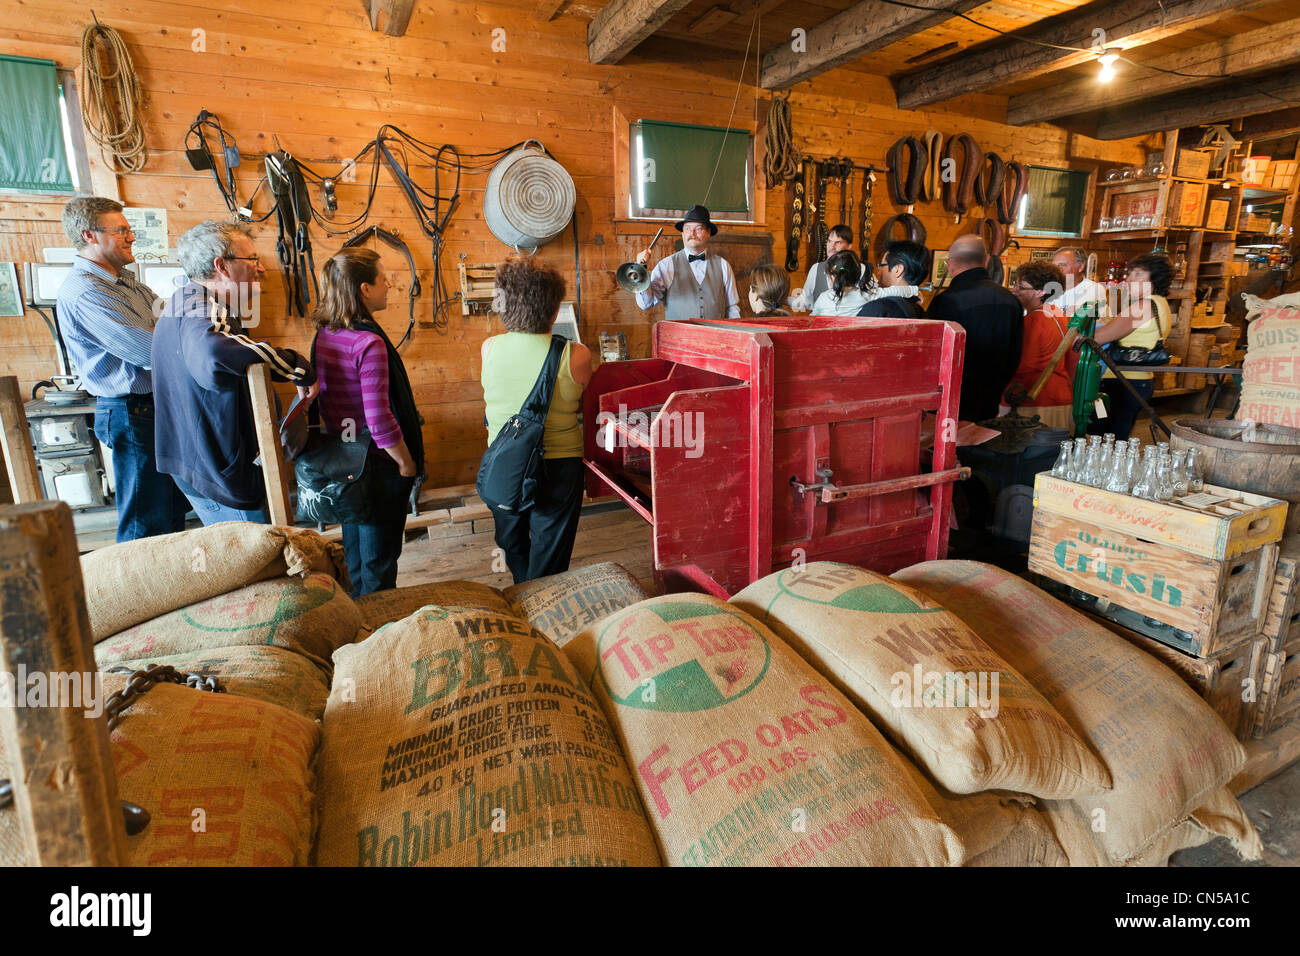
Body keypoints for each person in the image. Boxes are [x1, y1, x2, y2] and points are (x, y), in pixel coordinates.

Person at [153, 220, 317, 524]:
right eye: (252, 259)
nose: (261, 268)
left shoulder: (184, 300)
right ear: (222, 266)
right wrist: (296, 366)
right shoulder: (205, 310)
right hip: (218, 469)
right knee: (259, 562)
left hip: (196, 462)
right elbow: (213, 354)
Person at [54, 196, 190, 542]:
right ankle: (136, 592)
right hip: (132, 411)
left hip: (152, 408)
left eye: (129, 230)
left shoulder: (127, 282)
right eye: (122, 231)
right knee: (145, 519)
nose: (131, 237)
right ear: (90, 235)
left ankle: (171, 591)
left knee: (170, 508)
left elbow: (167, 324)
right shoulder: (87, 291)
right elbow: (146, 347)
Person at [310, 247, 424, 596]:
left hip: (346, 462)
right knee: (380, 562)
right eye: (383, 277)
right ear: (364, 289)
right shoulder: (368, 343)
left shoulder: (325, 333)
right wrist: (406, 463)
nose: (389, 283)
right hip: (378, 465)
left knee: (357, 556)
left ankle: (358, 621)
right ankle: (376, 635)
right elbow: (379, 419)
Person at [481, 257, 593, 584]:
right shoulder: (578, 355)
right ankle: (541, 601)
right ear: (555, 310)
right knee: (551, 552)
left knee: (511, 541)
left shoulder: (489, 348)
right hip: (560, 466)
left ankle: (523, 589)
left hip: (505, 464)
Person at [926, 234, 1024, 422]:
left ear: (949, 264)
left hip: (953, 402)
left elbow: (935, 356)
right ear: (987, 261)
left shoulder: (947, 301)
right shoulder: (1010, 300)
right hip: (992, 399)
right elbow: (1015, 354)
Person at [1088, 253, 1174, 440]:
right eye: (1130, 273)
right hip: (1137, 380)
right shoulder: (1160, 303)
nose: (1129, 279)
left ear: (1155, 277)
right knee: (1115, 436)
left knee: (1106, 439)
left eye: (1138, 274)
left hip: (1123, 382)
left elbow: (1099, 338)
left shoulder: (1142, 306)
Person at [632, 204, 740, 321]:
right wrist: (641, 271)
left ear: (708, 232)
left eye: (698, 228)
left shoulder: (723, 265)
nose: (692, 233)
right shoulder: (667, 265)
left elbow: (732, 308)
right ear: (682, 233)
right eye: (687, 228)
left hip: (716, 338)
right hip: (677, 338)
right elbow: (646, 304)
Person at [1001, 260, 1073, 429]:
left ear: (1041, 292)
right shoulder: (1057, 313)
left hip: (1033, 399)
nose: (1014, 290)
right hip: (1060, 394)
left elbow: (1023, 365)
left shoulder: (1034, 320)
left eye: (1021, 287)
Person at [858, 240, 927, 318]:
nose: (878, 272)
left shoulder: (879, 308)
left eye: (881, 265)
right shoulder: (919, 309)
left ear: (898, 270)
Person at [794, 225, 852, 311]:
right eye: (829, 241)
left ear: (849, 246)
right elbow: (806, 301)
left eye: (838, 242)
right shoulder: (816, 268)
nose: (832, 247)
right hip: (821, 322)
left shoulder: (861, 270)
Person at [1050, 246, 1108, 319]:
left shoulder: (1093, 289)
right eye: (1054, 266)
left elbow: (1081, 323)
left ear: (1081, 267)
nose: (1057, 269)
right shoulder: (1047, 287)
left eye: (1063, 265)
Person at [811, 250, 869, 316]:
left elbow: (812, 319)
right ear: (857, 274)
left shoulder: (824, 298)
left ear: (832, 277)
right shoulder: (865, 295)